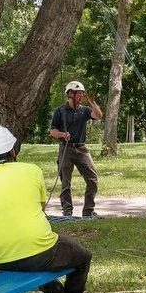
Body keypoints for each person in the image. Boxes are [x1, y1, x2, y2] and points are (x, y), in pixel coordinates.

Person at [0, 124, 95, 293]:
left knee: (35, 258)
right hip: (38, 251)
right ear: (13, 150)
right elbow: (40, 209)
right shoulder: (31, 170)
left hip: (1, 258)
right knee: (82, 257)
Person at [49, 81, 103, 218]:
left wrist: (92, 102)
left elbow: (98, 115)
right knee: (65, 182)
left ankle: (88, 211)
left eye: (83, 93)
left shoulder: (84, 110)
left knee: (92, 179)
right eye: (80, 93)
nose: (82, 96)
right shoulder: (60, 111)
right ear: (71, 94)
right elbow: (52, 131)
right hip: (66, 149)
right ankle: (67, 212)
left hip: (81, 148)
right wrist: (62, 135)